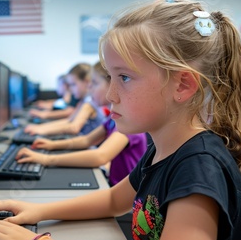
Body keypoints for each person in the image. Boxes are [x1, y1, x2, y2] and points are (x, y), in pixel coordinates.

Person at [0, 0, 241, 240]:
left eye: (123, 77)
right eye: (110, 77)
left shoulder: (198, 172)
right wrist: (38, 210)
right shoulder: (164, 145)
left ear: (182, 85)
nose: (110, 94)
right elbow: (113, 200)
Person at [16, 61, 148, 186]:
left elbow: (100, 156)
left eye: (95, 83)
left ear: (113, 85)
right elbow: (86, 140)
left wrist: (46, 159)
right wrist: (52, 145)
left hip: (127, 203)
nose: (89, 87)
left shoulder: (129, 123)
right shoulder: (113, 119)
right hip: (114, 189)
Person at [24, 62, 107, 136]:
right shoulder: (83, 101)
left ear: (86, 82)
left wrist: (42, 130)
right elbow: (69, 120)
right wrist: (40, 127)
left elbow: (74, 127)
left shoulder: (89, 103)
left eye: (73, 84)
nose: (70, 89)